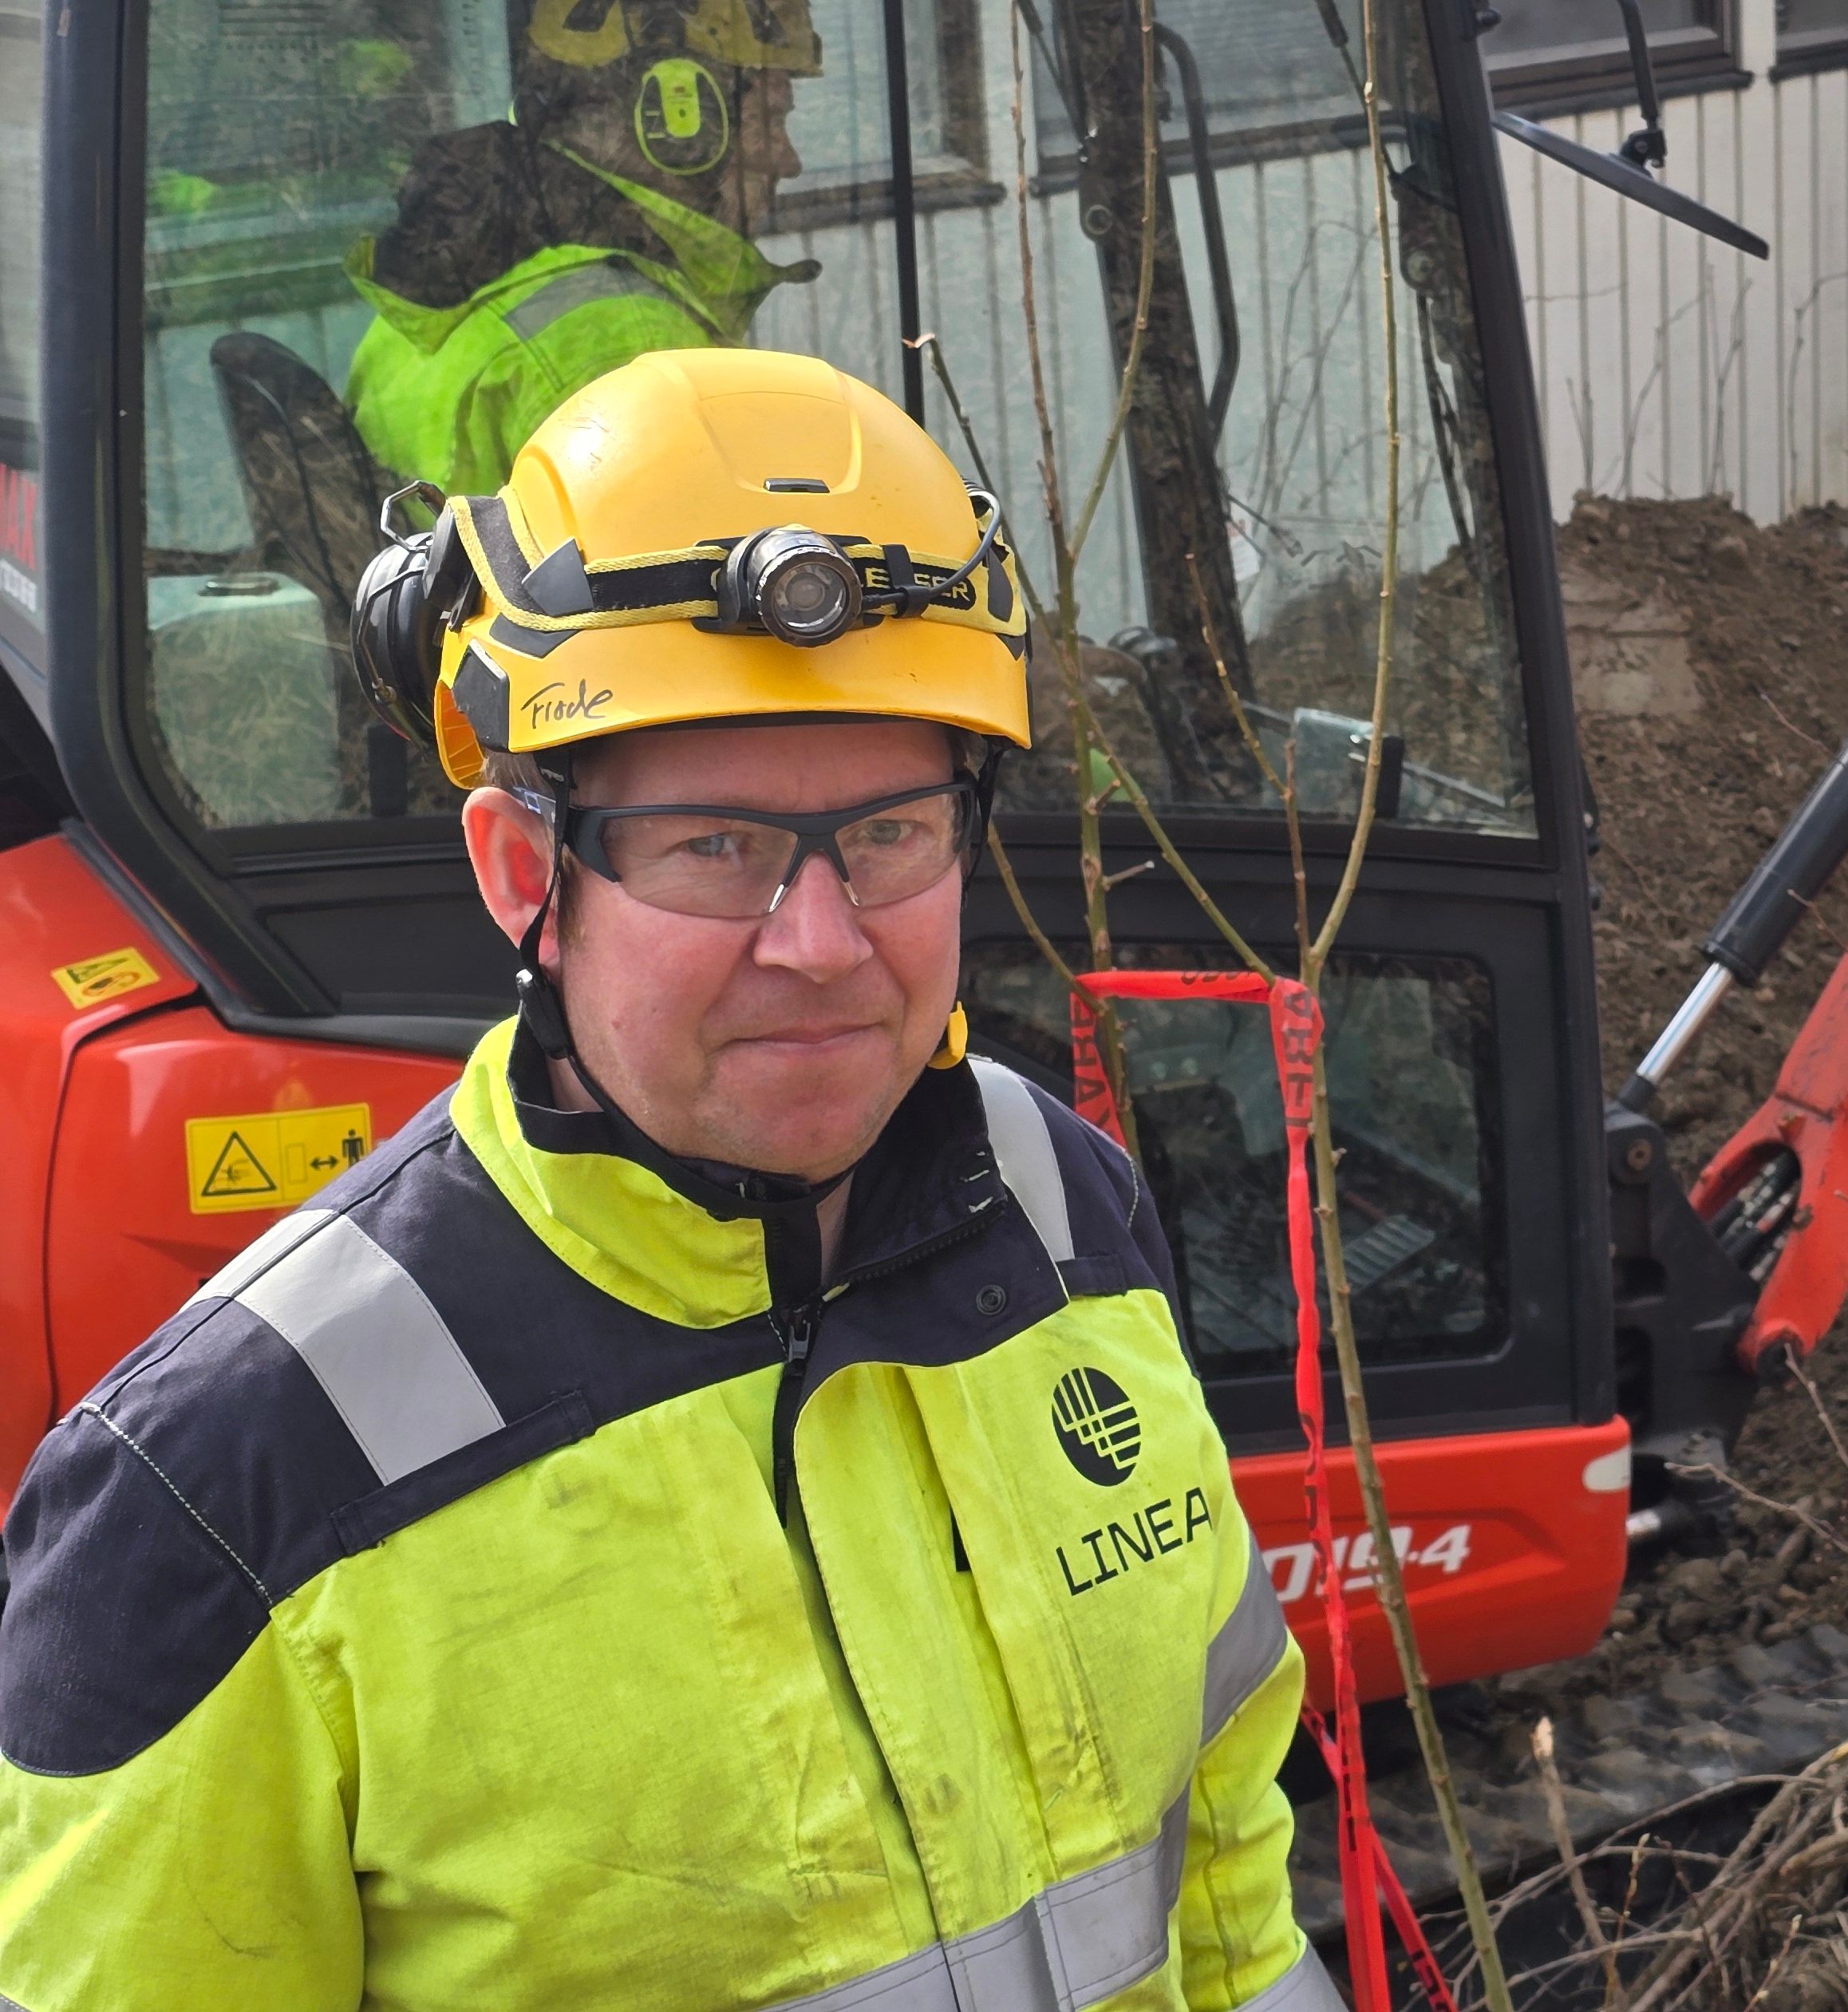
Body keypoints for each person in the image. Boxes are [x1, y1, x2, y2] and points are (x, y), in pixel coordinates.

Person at [0, 350, 1333, 2011]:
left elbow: (1221, 1889)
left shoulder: (1057, 1210)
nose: (824, 942)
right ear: (521, 876)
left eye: (895, 834)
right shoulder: (226, 1489)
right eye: (716, 845)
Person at [344, 0, 826, 500]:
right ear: (680, 118)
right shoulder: (627, 342)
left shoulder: (446, 277)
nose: (788, 159)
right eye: (771, 120)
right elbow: (691, 582)